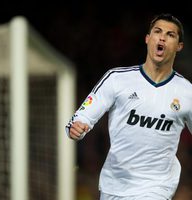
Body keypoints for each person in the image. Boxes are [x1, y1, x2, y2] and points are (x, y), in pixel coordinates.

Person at [65, 13, 192, 200]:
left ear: (179, 46)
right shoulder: (117, 79)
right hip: (114, 185)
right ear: (148, 39)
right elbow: (81, 118)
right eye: (157, 31)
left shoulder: (187, 92)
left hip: (156, 187)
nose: (162, 37)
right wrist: (77, 128)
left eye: (170, 35)